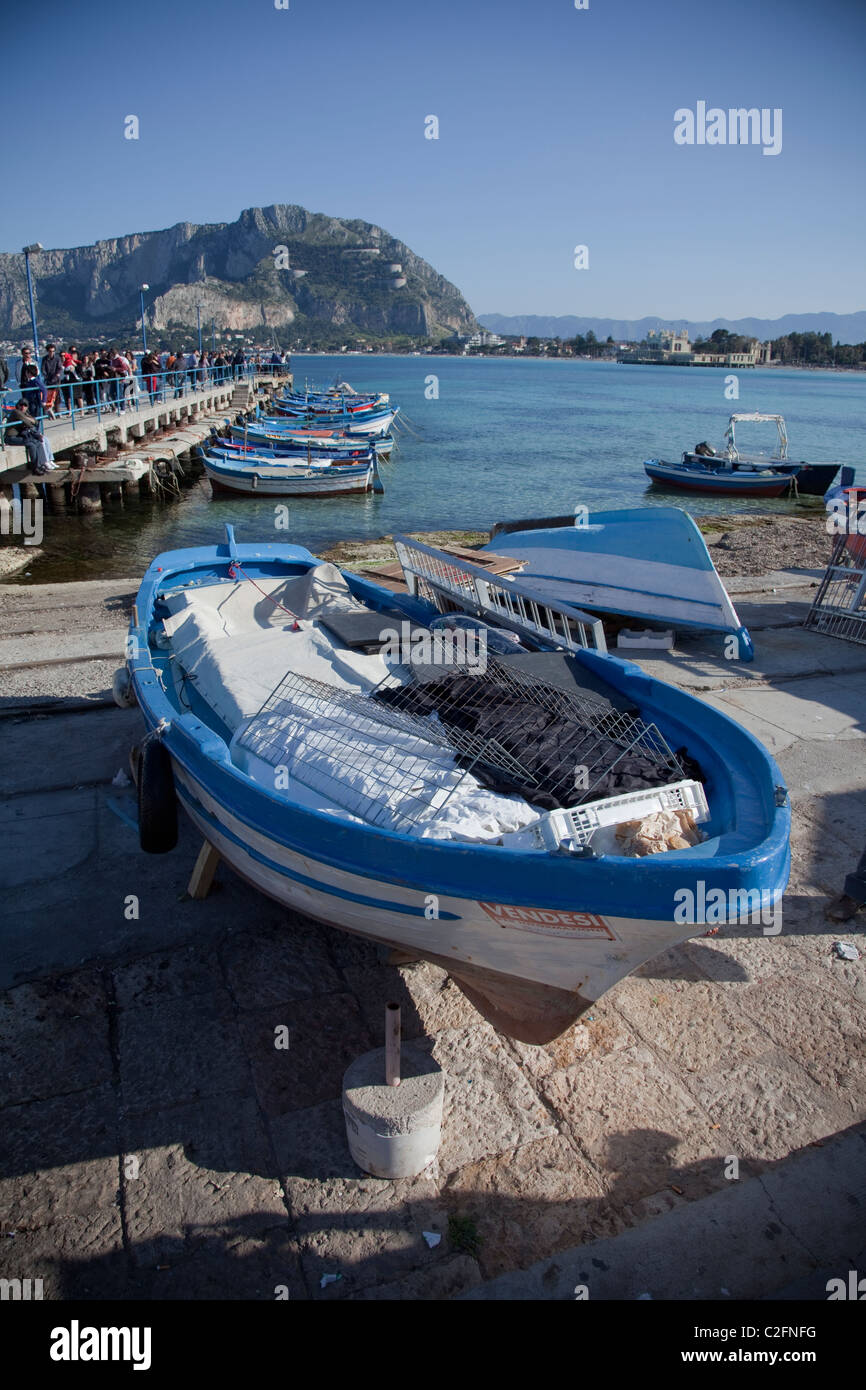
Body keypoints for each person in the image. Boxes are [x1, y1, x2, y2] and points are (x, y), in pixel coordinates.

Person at [17, 347, 45, 423]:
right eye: (26, 353)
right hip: (23, 385)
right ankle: (27, 417)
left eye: (29, 353)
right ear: (22, 354)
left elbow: (38, 373)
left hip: (32, 385)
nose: (28, 355)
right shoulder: (19, 363)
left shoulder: (34, 362)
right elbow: (17, 373)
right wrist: (19, 383)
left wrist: (43, 401)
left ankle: (35, 420)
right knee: (25, 401)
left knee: (34, 404)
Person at [41, 343, 63, 417]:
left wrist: (57, 375)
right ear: (48, 351)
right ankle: (48, 412)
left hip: (56, 380)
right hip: (48, 380)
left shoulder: (57, 359)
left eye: (53, 351)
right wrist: (46, 376)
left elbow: (59, 368)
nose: (52, 353)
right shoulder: (45, 359)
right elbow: (43, 369)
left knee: (57, 396)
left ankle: (57, 412)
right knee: (48, 396)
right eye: (50, 351)